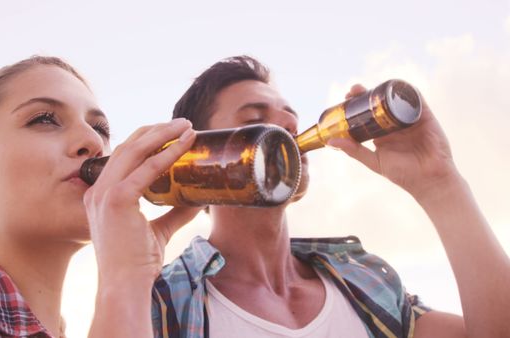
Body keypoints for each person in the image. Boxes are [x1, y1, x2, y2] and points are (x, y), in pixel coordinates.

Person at [146, 56, 510, 337]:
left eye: (290, 118)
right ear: (198, 157)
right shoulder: (162, 302)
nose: (288, 127)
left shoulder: (365, 282)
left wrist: (440, 184)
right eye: (254, 119)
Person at [0, 56, 198, 337]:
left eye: (100, 128)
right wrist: (124, 279)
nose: (92, 141)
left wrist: (135, 276)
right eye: (44, 119)